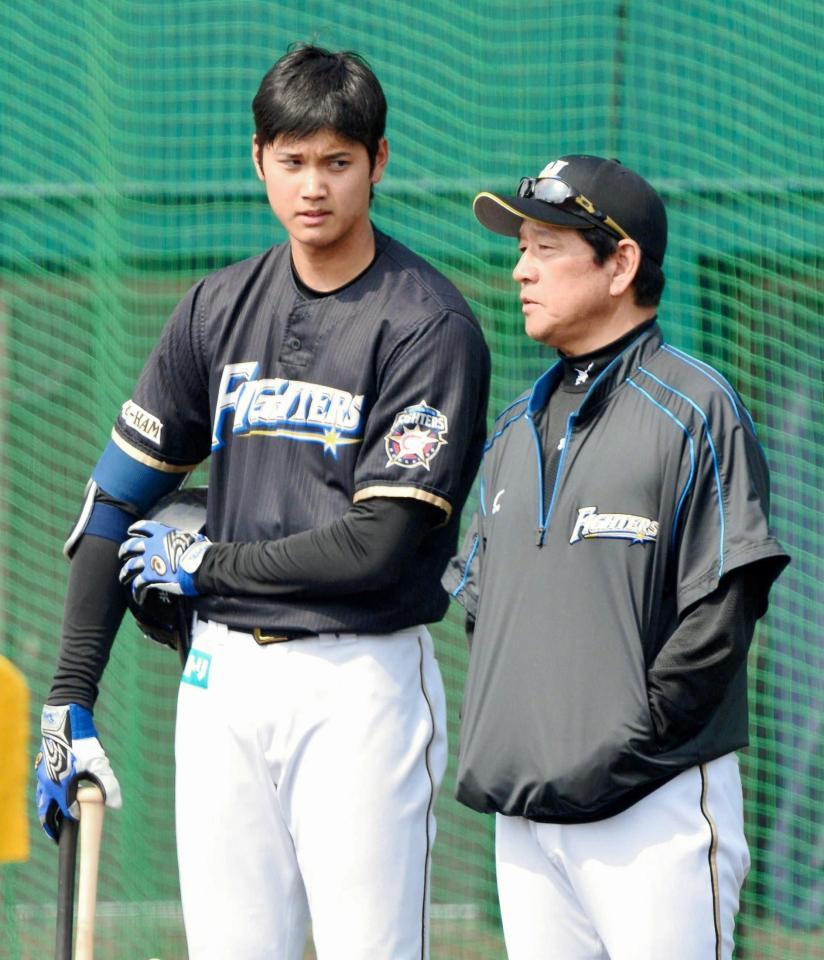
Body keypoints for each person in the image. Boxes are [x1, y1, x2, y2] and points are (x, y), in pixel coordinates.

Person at [35, 44, 490, 960]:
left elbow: (378, 546)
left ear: (379, 161)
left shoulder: (427, 324)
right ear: (258, 160)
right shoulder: (215, 308)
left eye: (336, 161)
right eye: (291, 160)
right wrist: (68, 699)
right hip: (221, 683)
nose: (312, 186)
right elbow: (114, 500)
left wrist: (208, 564)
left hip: (357, 681)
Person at [443, 155, 789, 960]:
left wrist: (624, 743)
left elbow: (723, 612)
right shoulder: (510, 430)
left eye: (545, 248)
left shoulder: (696, 407)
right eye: (520, 248)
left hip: (652, 811)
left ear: (621, 261)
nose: (521, 270)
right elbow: (483, 610)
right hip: (526, 822)